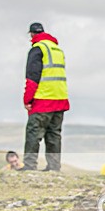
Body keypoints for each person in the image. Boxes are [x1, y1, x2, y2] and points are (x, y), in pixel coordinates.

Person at [21, 22, 69, 171]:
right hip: (60, 98)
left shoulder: (37, 49)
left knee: (33, 133)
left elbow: (32, 78)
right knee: (54, 135)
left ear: (32, 35)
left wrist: (27, 99)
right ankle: (54, 167)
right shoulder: (57, 50)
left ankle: (29, 166)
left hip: (43, 99)